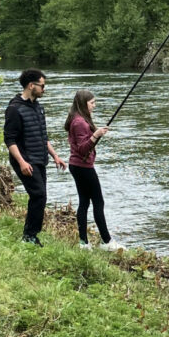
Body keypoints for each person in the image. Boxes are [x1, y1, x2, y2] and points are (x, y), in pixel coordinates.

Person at [3, 68, 67, 246]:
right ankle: (29, 236)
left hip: (40, 158)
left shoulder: (38, 107)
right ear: (31, 86)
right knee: (39, 195)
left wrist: (55, 156)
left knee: (40, 196)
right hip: (24, 160)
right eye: (42, 86)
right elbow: (9, 140)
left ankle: (31, 234)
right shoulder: (14, 109)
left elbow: (42, 136)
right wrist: (22, 162)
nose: (44, 89)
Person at [65, 88, 124, 251]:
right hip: (83, 167)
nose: (94, 106)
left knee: (84, 201)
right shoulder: (79, 122)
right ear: (84, 104)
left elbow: (82, 145)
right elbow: (83, 149)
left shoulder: (79, 119)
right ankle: (107, 242)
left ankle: (84, 243)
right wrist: (96, 135)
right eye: (92, 103)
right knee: (98, 201)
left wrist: (97, 133)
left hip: (77, 166)